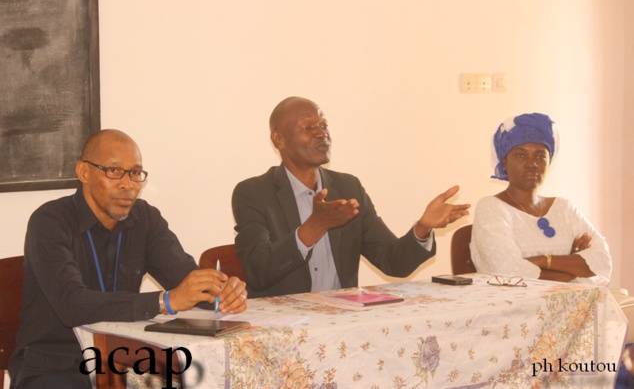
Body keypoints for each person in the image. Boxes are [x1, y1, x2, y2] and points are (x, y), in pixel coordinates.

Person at [9, 130, 248, 389]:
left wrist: (220, 292)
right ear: (84, 172)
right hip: (58, 365)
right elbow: (71, 305)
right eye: (114, 171)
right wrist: (165, 301)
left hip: (125, 361)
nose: (127, 184)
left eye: (135, 173)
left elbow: (186, 282)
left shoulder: (145, 219)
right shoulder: (50, 221)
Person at [231, 96, 470, 298]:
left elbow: (392, 262)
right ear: (278, 139)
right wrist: (313, 228)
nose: (321, 134)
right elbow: (258, 272)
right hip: (285, 326)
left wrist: (422, 228)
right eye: (308, 128)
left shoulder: (348, 187)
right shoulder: (253, 193)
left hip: (342, 320)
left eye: (324, 125)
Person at [470, 113, 612, 285]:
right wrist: (572, 266)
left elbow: (602, 262)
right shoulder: (491, 208)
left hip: (574, 304)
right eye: (520, 155)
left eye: (540, 156)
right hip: (514, 307)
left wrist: (543, 260)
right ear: (504, 162)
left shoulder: (564, 208)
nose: (532, 163)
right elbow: (507, 271)